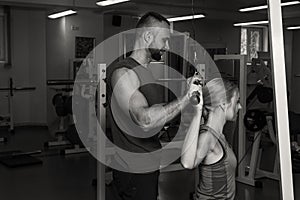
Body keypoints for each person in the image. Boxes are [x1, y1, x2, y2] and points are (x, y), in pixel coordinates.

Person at [106, 12, 201, 200]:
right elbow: (145, 120)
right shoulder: (124, 72)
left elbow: (157, 116)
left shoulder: (146, 72)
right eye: (164, 40)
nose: (167, 46)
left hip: (147, 164)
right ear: (147, 36)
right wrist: (186, 97)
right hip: (133, 168)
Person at [181, 78, 242, 200]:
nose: (240, 106)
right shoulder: (207, 137)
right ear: (223, 104)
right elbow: (188, 163)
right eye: (237, 101)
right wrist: (197, 112)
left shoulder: (218, 135)